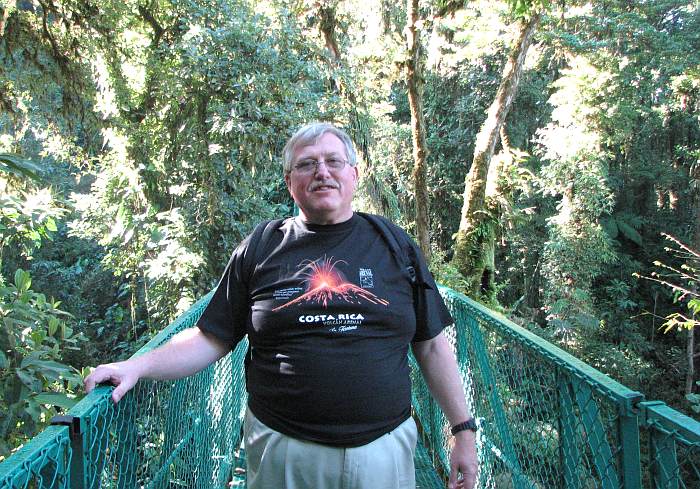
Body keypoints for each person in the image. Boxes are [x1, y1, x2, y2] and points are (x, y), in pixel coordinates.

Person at [85, 122, 478, 489]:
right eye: (307, 165)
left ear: (354, 175)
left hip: (383, 448)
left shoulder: (395, 244)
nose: (322, 172)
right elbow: (211, 337)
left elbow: (431, 344)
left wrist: (462, 430)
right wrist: (137, 366)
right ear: (291, 183)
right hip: (283, 448)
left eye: (333, 162)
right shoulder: (263, 246)